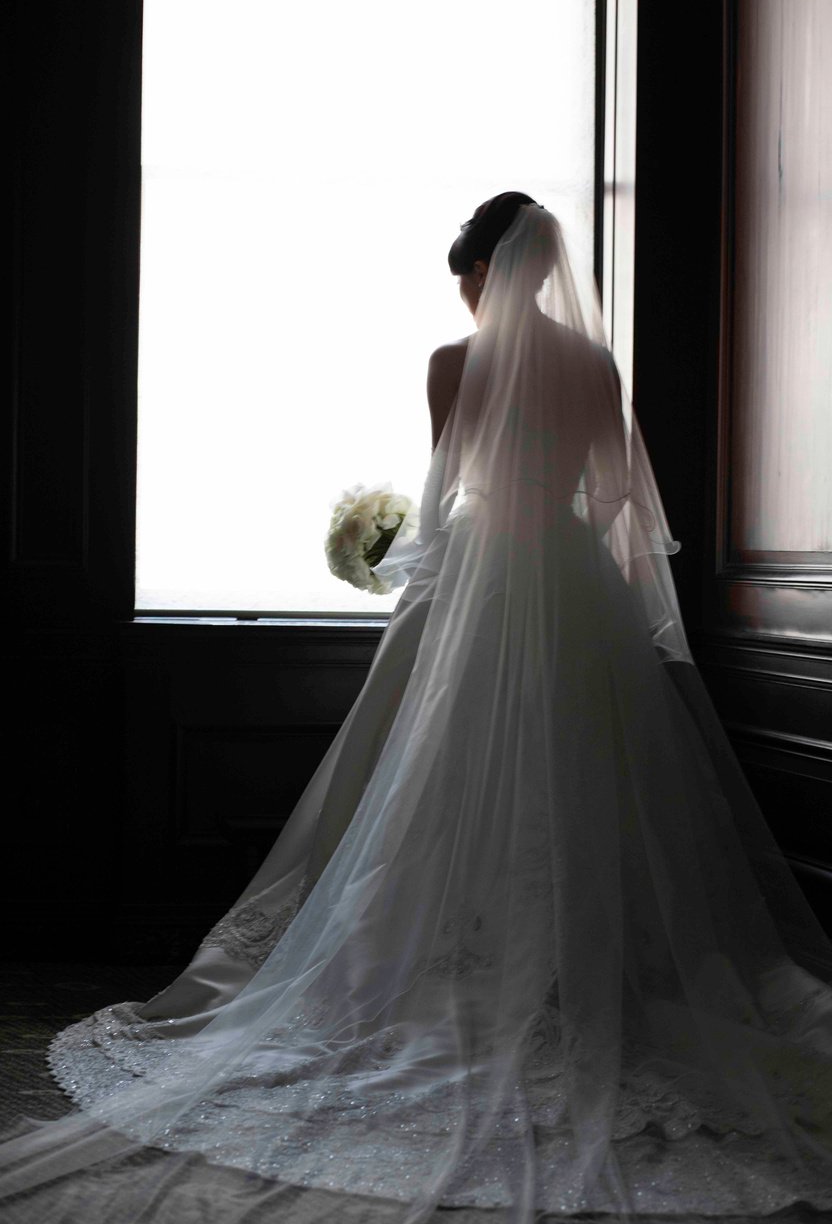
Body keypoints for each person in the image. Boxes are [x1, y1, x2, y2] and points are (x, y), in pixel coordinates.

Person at [2, 193, 832, 1224]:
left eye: (468, 279)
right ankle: (587, 972)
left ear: (482, 272)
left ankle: (473, 968)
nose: (469, 297)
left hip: (488, 583)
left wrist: (392, 559)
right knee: (584, 780)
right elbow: (616, 502)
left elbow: (444, 499)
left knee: (446, 782)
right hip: (573, 586)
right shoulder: (594, 364)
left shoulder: (453, 362)